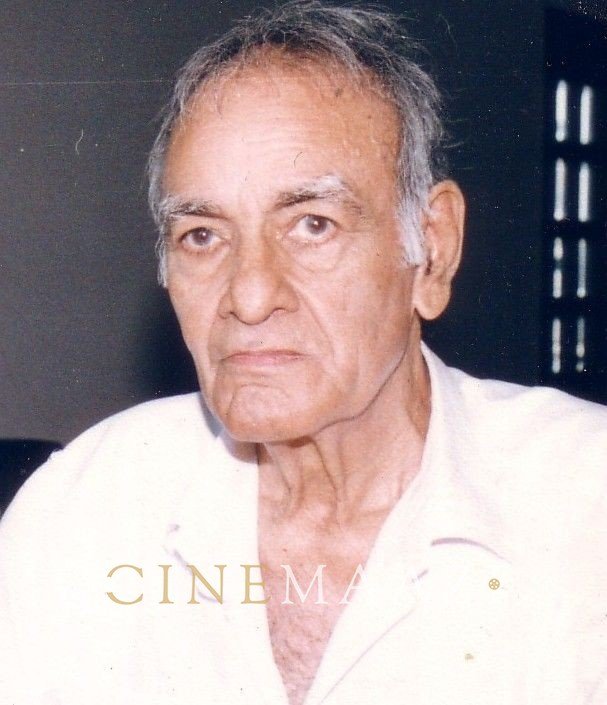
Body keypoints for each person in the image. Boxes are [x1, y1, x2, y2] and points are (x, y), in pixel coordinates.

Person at [1, 2, 606, 704]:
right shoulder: (85, 507)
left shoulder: (582, 505)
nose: (250, 296)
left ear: (432, 251)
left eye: (312, 225)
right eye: (202, 235)